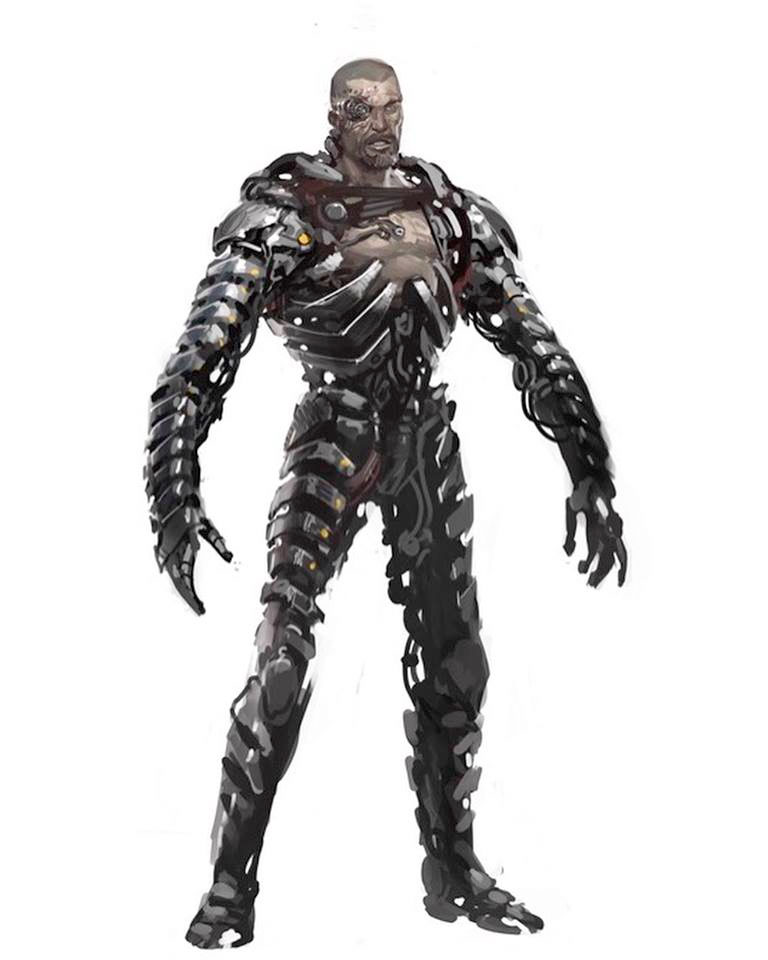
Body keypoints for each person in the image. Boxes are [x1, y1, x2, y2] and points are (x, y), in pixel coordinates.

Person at [144, 57, 627, 948]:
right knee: (283, 659)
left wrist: (588, 465)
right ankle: (229, 888)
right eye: (364, 110)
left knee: (457, 662)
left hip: (423, 439)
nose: (384, 124)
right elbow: (200, 356)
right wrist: (173, 487)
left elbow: (530, 338)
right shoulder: (290, 212)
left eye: (394, 107)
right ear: (334, 116)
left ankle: (455, 873)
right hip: (333, 434)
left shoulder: (444, 210)